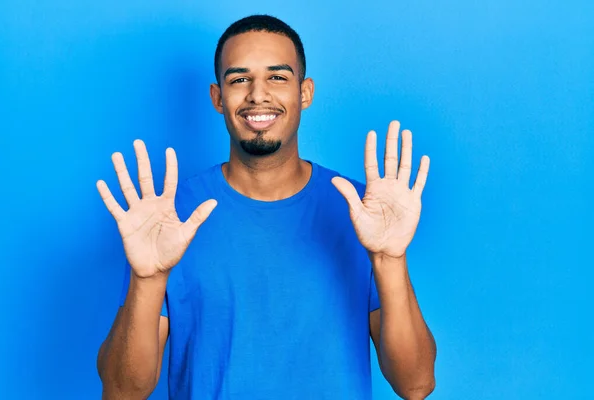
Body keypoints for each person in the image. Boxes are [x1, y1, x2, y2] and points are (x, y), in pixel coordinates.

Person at [95, 14, 436, 400]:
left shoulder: (363, 212)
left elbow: (416, 383)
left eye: (278, 76)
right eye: (239, 79)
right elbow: (122, 391)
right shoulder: (169, 219)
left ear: (305, 92)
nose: (258, 94)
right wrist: (148, 279)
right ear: (218, 97)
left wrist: (390, 258)